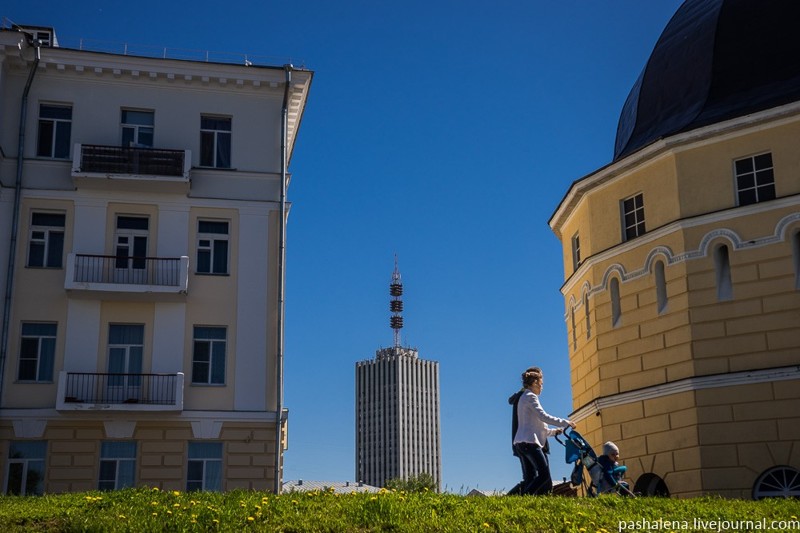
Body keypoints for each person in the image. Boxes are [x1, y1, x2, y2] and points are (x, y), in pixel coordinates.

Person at [512, 368, 575, 495]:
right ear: (535, 383)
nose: (542, 388)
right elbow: (543, 416)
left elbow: (537, 426)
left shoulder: (524, 397)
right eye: (541, 384)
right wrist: (566, 422)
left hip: (521, 443)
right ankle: (522, 499)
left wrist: (554, 432)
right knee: (544, 476)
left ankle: (519, 501)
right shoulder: (531, 396)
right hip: (530, 443)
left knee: (530, 478)